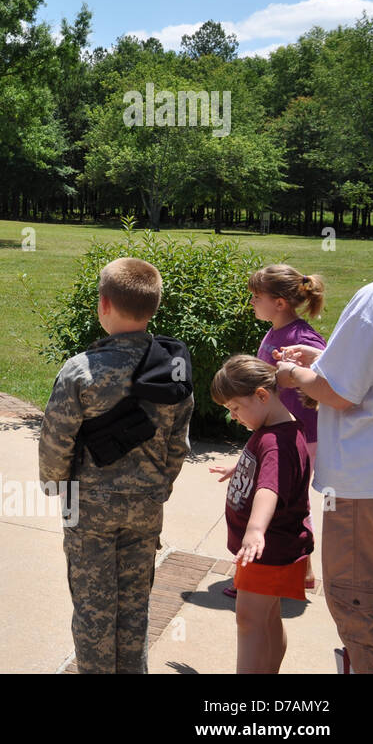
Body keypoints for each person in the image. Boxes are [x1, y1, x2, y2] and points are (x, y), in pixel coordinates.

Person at [38, 258, 194, 673]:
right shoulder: (172, 369)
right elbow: (178, 445)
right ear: (153, 308)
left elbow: (56, 442)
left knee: (93, 611)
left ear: (103, 304)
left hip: (87, 507)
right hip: (145, 505)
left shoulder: (81, 369)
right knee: (133, 609)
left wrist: (56, 488)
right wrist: (159, 486)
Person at [275, 279, 373, 674]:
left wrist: (292, 374)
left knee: (361, 604)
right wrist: (323, 358)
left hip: (365, 483)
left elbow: (338, 392)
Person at [209, 355, 313, 673]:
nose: (234, 416)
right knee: (267, 619)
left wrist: (255, 530)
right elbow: (268, 473)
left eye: (236, 408)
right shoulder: (278, 429)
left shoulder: (276, 442)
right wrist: (239, 467)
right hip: (279, 549)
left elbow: (270, 489)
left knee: (249, 623)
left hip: (266, 551)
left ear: (262, 395)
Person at [246, 263, 326, 594]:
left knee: (281, 502)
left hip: (297, 436)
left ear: (279, 302)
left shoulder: (300, 336)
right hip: (279, 432)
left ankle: (267, 572)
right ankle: (300, 570)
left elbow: (328, 370)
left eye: (256, 296)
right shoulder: (277, 331)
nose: (251, 301)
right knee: (286, 501)